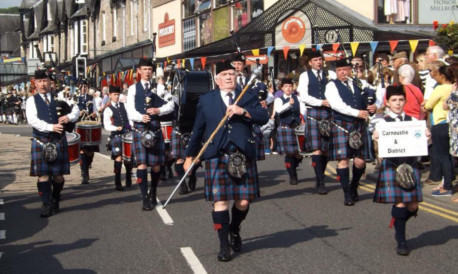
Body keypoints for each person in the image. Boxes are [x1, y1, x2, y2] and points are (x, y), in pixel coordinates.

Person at [184, 60, 269, 262]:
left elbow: (263, 117)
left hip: (242, 154)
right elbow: (198, 130)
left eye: (232, 73)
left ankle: (235, 229)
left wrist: (244, 111)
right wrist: (189, 156)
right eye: (225, 74)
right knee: (220, 202)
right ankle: (223, 245)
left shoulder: (247, 96)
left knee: (243, 201)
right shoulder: (206, 100)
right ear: (217, 79)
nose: (230, 77)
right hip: (217, 154)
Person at [373, 85, 426, 256]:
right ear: (387, 102)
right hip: (392, 166)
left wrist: (426, 135)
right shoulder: (382, 123)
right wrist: (376, 138)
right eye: (394, 100)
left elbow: (421, 141)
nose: (398, 103)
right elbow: (377, 149)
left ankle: (398, 221)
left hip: (410, 166)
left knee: (412, 206)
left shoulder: (414, 122)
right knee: (400, 203)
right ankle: (401, 241)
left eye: (401, 100)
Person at [26, 69, 79, 217]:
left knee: (58, 177)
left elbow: (76, 110)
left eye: (45, 81)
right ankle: (46, 204)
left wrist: (69, 117)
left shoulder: (60, 98)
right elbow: (32, 120)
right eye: (39, 81)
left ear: (50, 82)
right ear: (35, 84)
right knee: (42, 175)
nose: (42, 84)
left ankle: (55, 198)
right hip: (41, 141)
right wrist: (50, 127)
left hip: (58, 141)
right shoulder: (31, 101)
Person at [325, 58, 376, 206]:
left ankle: (354, 186)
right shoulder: (331, 85)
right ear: (336, 71)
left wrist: (374, 106)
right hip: (342, 124)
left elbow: (374, 93)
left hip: (359, 125)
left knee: (360, 162)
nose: (343, 72)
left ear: (349, 70)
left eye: (345, 69)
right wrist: (356, 112)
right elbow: (337, 105)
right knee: (344, 160)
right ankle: (347, 193)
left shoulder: (359, 83)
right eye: (340, 70)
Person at [126, 57, 173, 211]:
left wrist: (159, 110)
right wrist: (140, 117)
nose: (147, 72)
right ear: (139, 71)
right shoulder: (133, 89)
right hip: (140, 129)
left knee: (157, 167)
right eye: (144, 69)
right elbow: (130, 110)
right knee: (142, 164)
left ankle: (153, 191)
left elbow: (171, 104)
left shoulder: (159, 88)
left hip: (155, 129)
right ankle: (145, 197)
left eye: (149, 69)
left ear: (153, 72)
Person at [297, 50, 336, 193]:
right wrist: (320, 102)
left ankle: (321, 177)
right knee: (317, 149)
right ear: (309, 62)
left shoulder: (329, 74)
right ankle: (320, 181)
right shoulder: (304, 76)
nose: (319, 62)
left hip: (328, 113)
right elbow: (303, 96)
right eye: (315, 60)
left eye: (320, 59)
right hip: (314, 111)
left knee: (325, 150)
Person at [423, 64, 455, 197]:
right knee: (449, 156)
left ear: (442, 75)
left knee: (442, 156)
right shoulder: (453, 87)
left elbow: (428, 104)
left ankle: (447, 186)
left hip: (440, 123)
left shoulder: (441, 88)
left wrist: (425, 106)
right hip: (450, 124)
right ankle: (446, 183)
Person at [274, 78, 306, 185]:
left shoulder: (297, 98)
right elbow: (278, 111)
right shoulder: (279, 99)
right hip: (285, 128)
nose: (288, 88)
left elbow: (303, 111)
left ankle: (293, 166)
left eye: (290, 86)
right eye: (286, 86)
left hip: (297, 128)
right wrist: (289, 104)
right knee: (290, 153)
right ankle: (292, 176)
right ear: (282, 88)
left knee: (300, 153)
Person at [103, 85, 133, 191]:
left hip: (127, 134)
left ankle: (129, 177)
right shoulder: (108, 109)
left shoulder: (124, 105)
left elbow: (130, 119)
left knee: (128, 158)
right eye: (114, 95)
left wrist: (131, 126)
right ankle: (118, 181)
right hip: (116, 135)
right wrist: (116, 127)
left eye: (118, 94)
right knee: (118, 157)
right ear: (110, 95)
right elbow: (106, 125)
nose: (116, 96)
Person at [76, 80, 99, 184]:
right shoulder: (75, 98)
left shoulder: (91, 98)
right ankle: (84, 174)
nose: (83, 88)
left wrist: (95, 114)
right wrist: (78, 113)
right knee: (82, 150)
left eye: (85, 86)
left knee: (90, 152)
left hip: (90, 125)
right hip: (80, 125)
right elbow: (71, 111)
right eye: (82, 87)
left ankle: (87, 165)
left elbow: (96, 110)